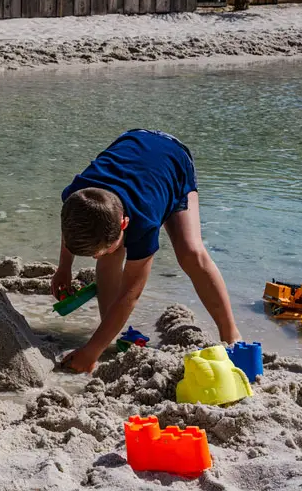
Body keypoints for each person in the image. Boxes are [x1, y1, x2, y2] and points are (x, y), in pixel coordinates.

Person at [51, 129, 242, 373]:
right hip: (134, 143)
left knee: (190, 253)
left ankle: (231, 334)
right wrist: (64, 267)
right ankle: (109, 333)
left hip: (172, 159)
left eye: (99, 251)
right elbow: (70, 229)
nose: (95, 257)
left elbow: (130, 294)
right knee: (111, 255)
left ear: (124, 224)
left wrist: (91, 351)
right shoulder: (77, 198)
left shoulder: (144, 221)